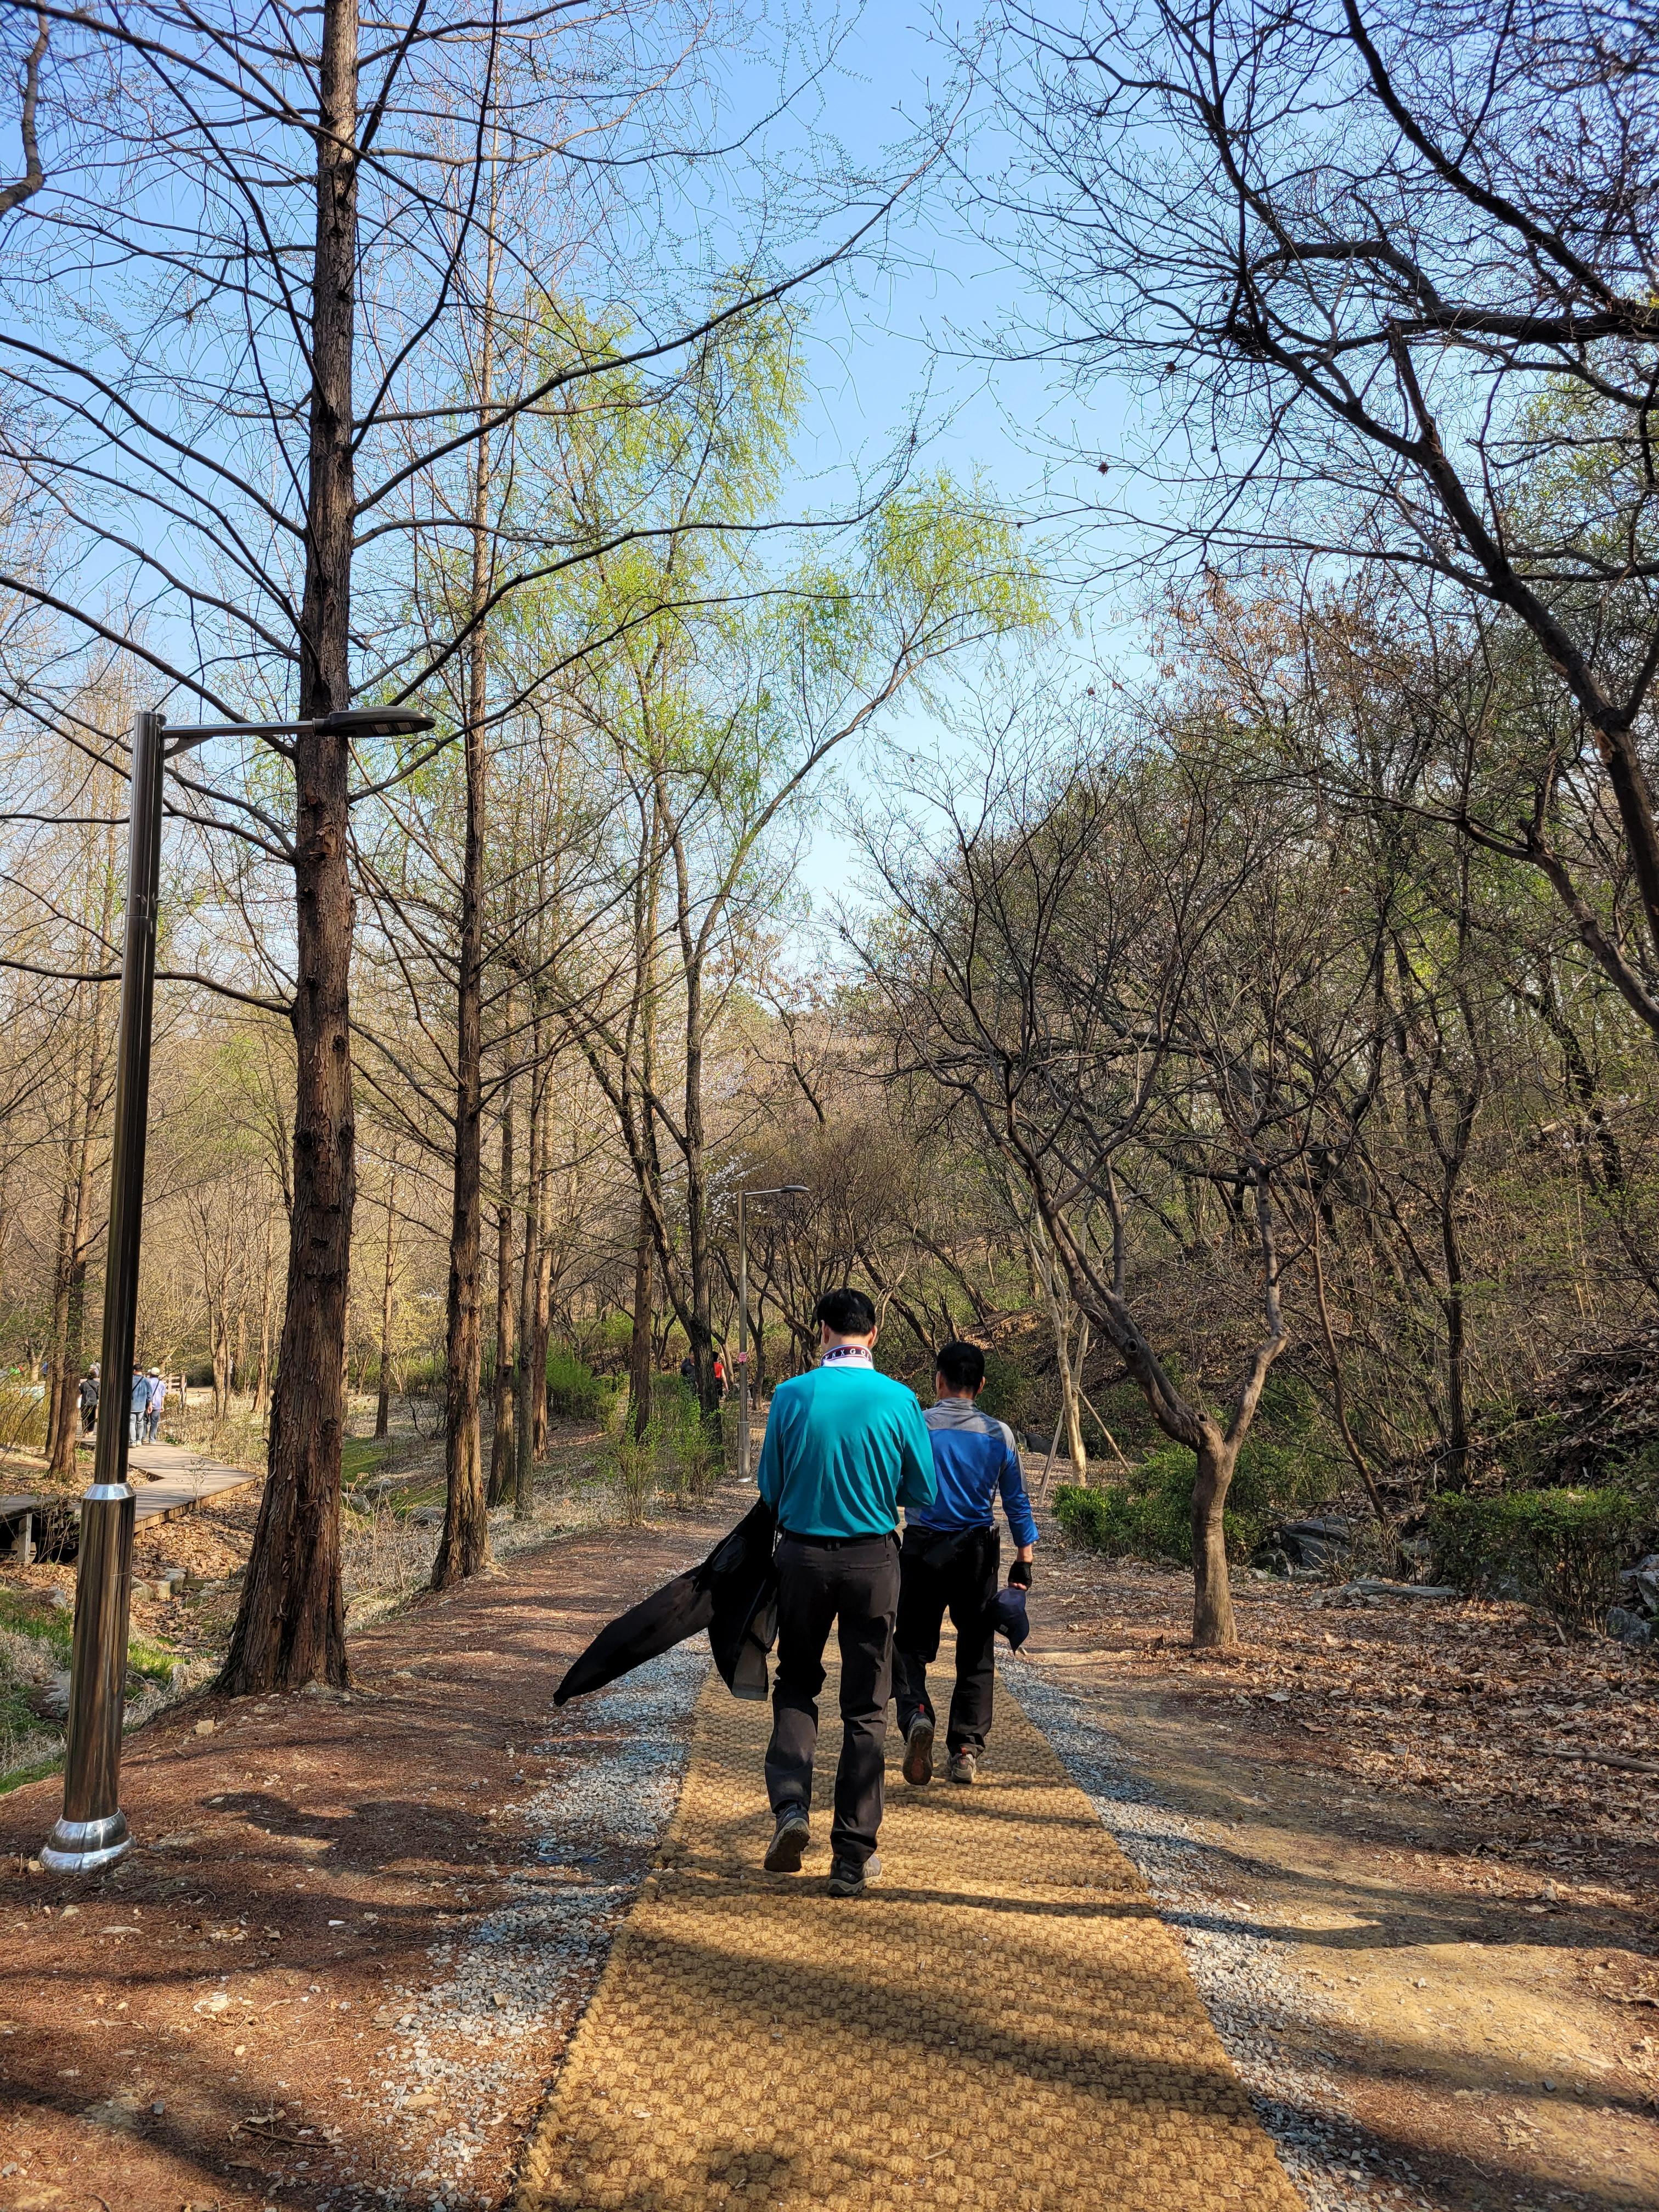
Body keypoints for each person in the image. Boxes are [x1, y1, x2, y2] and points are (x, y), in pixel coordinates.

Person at [755, 1286, 935, 1898]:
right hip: (873, 1561)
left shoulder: (790, 1395)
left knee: (797, 1682)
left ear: (822, 1331)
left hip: (802, 1558)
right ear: (874, 1334)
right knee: (867, 1705)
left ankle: (791, 1808)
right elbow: (922, 1490)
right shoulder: (901, 1399)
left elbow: (771, 1489)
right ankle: (853, 1857)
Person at [894, 1340, 1037, 1789]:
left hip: (921, 1549)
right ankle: (964, 1751)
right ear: (982, 1385)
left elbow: (892, 1488)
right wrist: (1024, 1559)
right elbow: (1016, 1501)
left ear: (938, 1380)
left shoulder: (915, 1427)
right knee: (975, 1651)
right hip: (976, 1555)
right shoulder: (999, 1435)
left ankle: (917, 1713)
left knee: (909, 1645)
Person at [145, 1367, 166, 1442]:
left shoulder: (147, 1381)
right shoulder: (162, 1384)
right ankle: (152, 1439)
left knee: (145, 1421)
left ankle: (143, 1437)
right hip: (157, 1405)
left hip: (147, 1404)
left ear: (151, 1374)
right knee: (154, 1423)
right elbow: (162, 1396)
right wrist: (162, 1406)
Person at [77, 1364, 99, 1436]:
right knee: (92, 1417)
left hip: (85, 1403)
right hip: (93, 1403)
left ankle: (85, 1431)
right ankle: (91, 1431)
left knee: (85, 1417)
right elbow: (98, 1395)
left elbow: (79, 1392)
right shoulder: (97, 1384)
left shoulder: (84, 1384)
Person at [129, 1365, 148, 1446]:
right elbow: (149, 1394)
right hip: (142, 1405)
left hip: (132, 1405)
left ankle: (132, 1441)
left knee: (132, 1423)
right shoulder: (146, 1381)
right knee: (140, 1422)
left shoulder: (131, 1380)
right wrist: (150, 1404)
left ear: (134, 1370)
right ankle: (139, 1440)